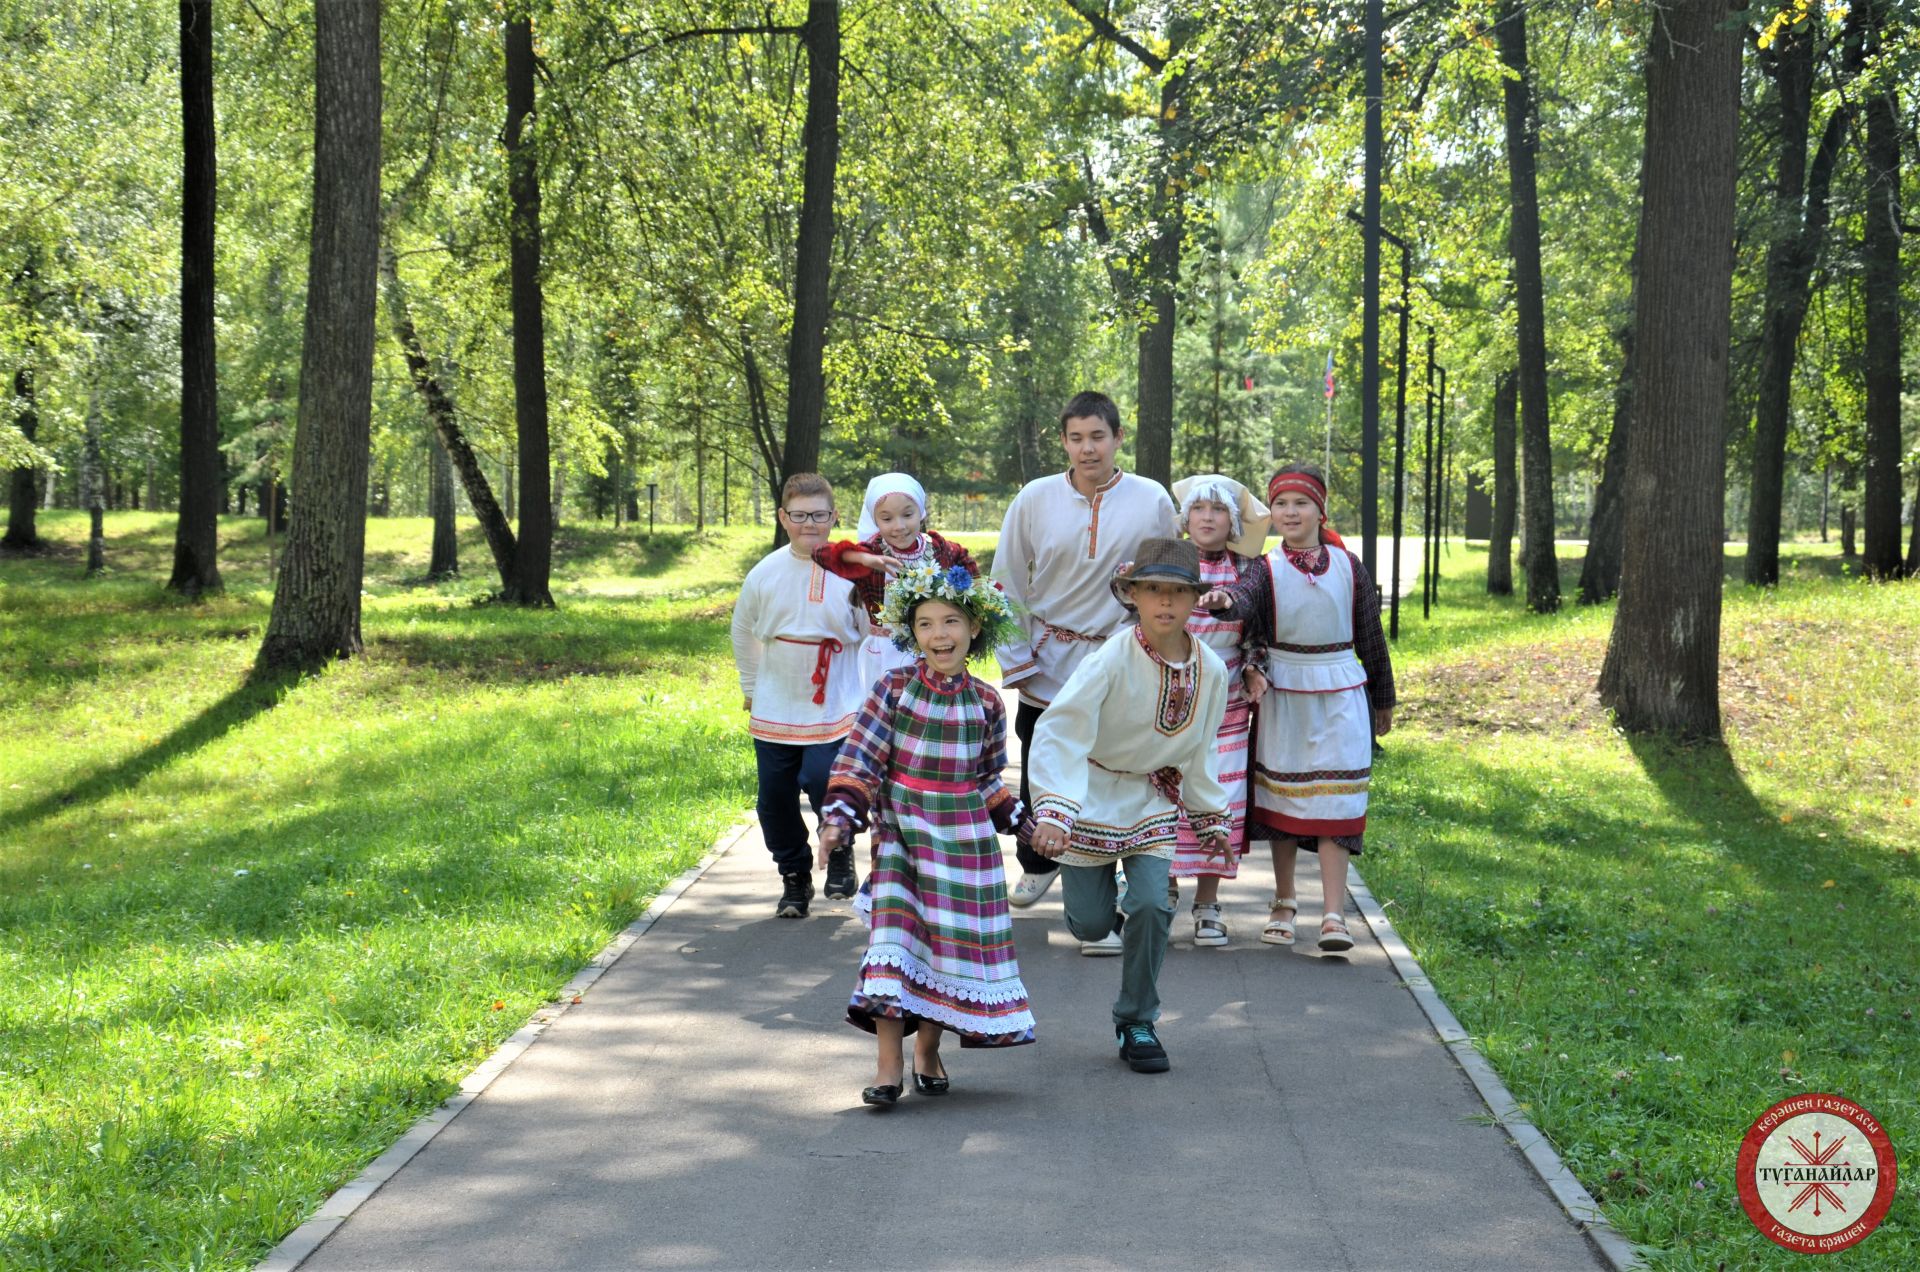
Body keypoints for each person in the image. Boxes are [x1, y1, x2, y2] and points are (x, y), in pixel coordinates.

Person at [817, 561, 1036, 1107]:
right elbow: (859, 758)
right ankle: (888, 1066)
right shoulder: (893, 688)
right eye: (926, 625)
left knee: (945, 954)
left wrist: (1026, 826)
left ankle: (927, 1051)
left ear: (974, 628)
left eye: (952, 622)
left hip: (965, 848)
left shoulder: (987, 702)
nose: (940, 635)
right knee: (894, 944)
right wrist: (838, 819)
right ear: (910, 634)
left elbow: (988, 782)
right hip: (902, 837)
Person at [1024, 538, 1232, 1073]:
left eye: (1178, 593)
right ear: (1133, 596)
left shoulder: (1211, 670)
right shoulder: (1111, 657)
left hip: (1150, 796)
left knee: (1151, 906)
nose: (1166, 603)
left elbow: (1203, 741)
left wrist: (1210, 813)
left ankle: (1137, 1019)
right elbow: (1061, 729)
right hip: (1089, 792)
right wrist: (1054, 809)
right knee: (1092, 926)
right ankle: (1112, 908)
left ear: (1195, 601)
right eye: (1153, 591)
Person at [993, 391, 1178, 954]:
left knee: (1119, 764)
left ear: (1118, 437)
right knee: (1042, 759)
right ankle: (1038, 858)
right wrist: (1017, 657)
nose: (1087, 448)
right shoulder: (1035, 498)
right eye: (1076, 438)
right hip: (1050, 657)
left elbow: (1166, 578)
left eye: (1097, 436)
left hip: (1122, 658)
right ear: (1064, 442)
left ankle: (1117, 879)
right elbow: (1007, 581)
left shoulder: (1150, 500)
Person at [1199, 464, 1395, 953]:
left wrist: (1384, 698)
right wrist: (1224, 600)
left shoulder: (1349, 565)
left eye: (1300, 503)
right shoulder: (1266, 568)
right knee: (1282, 803)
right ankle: (1283, 901)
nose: (1290, 512)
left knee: (1338, 803)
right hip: (1283, 692)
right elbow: (1245, 600)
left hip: (1341, 693)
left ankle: (1334, 914)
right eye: (1281, 504)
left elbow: (1371, 635)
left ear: (1319, 509)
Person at [730, 473, 867, 919]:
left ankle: (840, 847)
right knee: (773, 797)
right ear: (783, 517)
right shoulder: (765, 572)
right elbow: (744, 632)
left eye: (820, 515)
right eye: (800, 516)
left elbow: (873, 631)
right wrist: (751, 688)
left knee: (823, 779)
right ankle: (794, 875)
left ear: (835, 517)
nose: (811, 525)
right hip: (776, 698)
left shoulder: (854, 571)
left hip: (836, 699)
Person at [1157, 475, 1270, 946]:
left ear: (1233, 521)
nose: (1207, 517)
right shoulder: (1165, 562)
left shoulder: (1249, 570)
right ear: (1186, 519)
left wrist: (1254, 667)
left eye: (1218, 510)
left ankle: (1207, 903)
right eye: (1199, 509)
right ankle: (1160, 894)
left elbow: (1259, 632)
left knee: (1216, 801)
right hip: (1166, 700)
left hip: (1226, 707)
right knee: (1164, 797)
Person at [811, 472, 985, 692]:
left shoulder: (939, 548)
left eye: (907, 514)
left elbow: (970, 571)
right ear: (875, 520)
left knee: (934, 712)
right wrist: (862, 557)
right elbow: (819, 554)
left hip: (936, 648)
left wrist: (976, 594)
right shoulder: (873, 553)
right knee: (891, 714)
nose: (899, 526)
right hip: (886, 655)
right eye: (887, 518)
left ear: (921, 512)